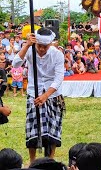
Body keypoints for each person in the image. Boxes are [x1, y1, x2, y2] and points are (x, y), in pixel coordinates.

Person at [12, 27, 65, 163]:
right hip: (33, 93)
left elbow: (59, 78)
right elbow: (15, 63)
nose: (41, 49)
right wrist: (26, 45)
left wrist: (46, 95)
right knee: (32, 128)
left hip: (53, 95)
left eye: (45, 47)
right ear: (35, 43)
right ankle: (32, 161)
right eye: (39, 46)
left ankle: (51, 160)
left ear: (50, 44)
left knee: (53, 127)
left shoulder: (57, 54)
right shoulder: (29, 50)